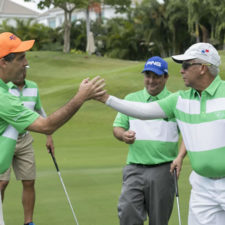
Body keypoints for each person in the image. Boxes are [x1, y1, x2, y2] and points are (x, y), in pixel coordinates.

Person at [96, 42, 225, 225]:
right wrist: (105, 98)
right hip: (202, 186)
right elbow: (143, 110)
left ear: (202, 68)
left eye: (186, 65)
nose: (181, 71)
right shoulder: (180, 99)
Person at [0, 32, 105, 225]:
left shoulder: (5, 91)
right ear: (3, 62)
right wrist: (80, 97)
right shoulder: (3, 98)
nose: (26, 63)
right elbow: (46, 125)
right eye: (21, 57)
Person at [113, 56, 182, 225]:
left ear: (165, 77)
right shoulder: (131, 99)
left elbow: (189, 134)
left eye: (156, 76)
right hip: (134, 168)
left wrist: (180, 156)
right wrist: (123, 135)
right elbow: (117, 127)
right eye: (147, 76)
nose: (151, 81)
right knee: (127, 214)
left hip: (164, 170)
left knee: (159, 221)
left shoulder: (176, 102)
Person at [0, 67, 54, 225]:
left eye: (25, 69)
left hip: (24, 139)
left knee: (29, 181)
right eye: (20, 69)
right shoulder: (5, 88)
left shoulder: (33, 87)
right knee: (2, 183)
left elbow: (40, 111)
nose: (23, 72)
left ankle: (28, 222)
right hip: (4, 139)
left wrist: (48, 136)